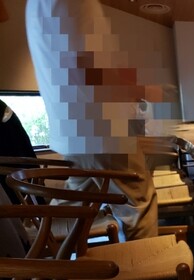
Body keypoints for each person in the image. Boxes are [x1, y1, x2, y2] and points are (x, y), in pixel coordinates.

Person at [24, 0, 176, 240]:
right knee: (138, 207)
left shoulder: (34, 5)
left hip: (73, 131)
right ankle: (147, 267)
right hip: (102, 131)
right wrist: (147, 90)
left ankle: (30, 248)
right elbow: (87, 70)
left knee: (70, 209)